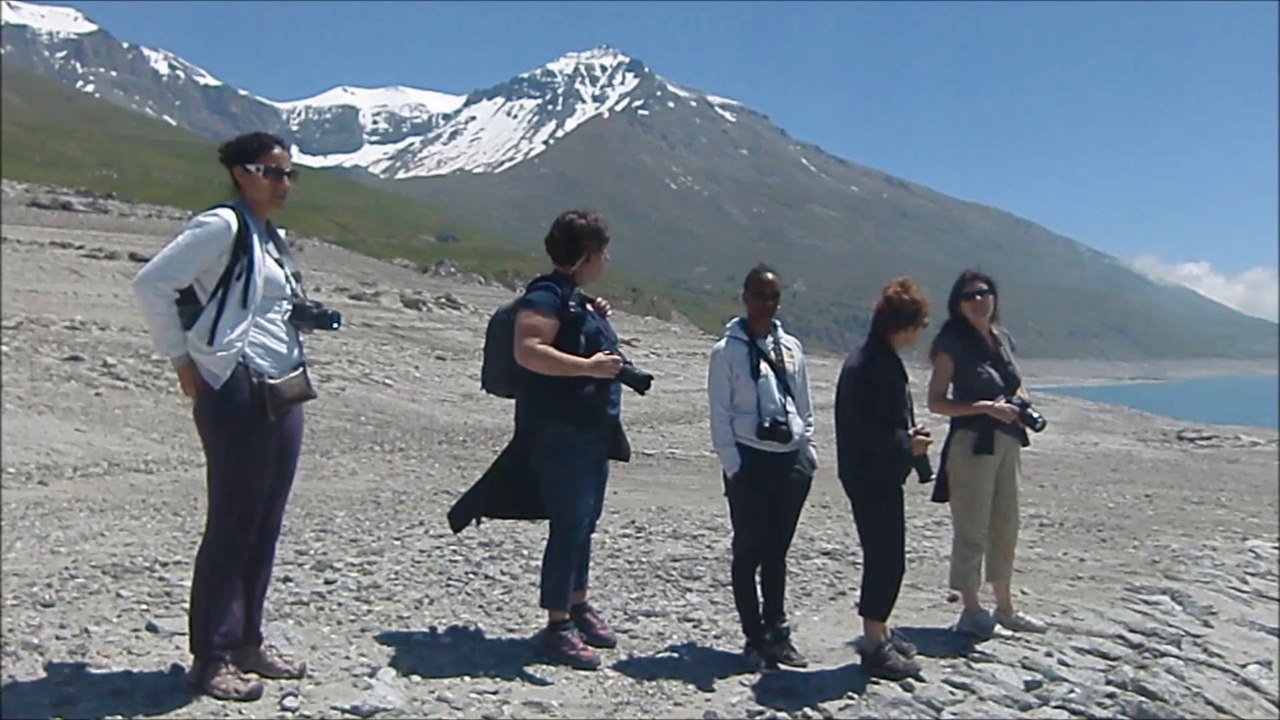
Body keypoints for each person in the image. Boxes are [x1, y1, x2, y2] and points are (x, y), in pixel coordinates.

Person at [131, 132, 312, 701]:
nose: (284, 184)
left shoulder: (269, 236)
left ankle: (247, 641)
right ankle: (210, 656)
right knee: (233, 521)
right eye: (273, 173)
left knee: (265, 520)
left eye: (290, 175)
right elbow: (152, 283)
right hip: (234, 384)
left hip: (281, 383)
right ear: (241, 173)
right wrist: (181, 359)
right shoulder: (221, 227)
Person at [512, 209, 627, 670]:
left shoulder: (571, 297)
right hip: (561, 433)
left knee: (584, 522)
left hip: (589, 431)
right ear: (584, 255)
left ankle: (577, 604)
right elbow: (528, 349)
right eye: (601, 251)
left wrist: (588, 313)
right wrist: (588, 368)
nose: (606, 258)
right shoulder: (544, 295)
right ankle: (557, 623)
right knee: (568, 524)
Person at [707, 263, 818, 672]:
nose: (766, 303)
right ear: (745, 296)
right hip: (749, 460)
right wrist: (733, 466)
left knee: (778, 551)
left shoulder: (791, 347)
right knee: (748, 550)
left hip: (790, 462)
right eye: (759, 294)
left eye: (773, 296)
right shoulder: (726, 352)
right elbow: (719, 413)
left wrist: (808, 451)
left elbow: (804, 403)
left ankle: (778, 632)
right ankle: (753, 636)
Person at [926, 269, 1048, 639]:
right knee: (972, 528)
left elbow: (1015, 381)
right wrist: (983, 408)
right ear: (958, 304)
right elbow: (936, 402)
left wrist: (1021, 402)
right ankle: (972, 610)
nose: (979, 301)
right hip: (972, 447)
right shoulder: (951, 344)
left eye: (984, 293)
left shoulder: (1000, 337)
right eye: (970, 296)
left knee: (1005, 525)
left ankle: (1005, 607)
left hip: (1007, 442)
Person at [834, 277, 932, 680]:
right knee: (886, 558)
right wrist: (906, 445)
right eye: (918, 326)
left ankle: (881, 629)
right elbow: (862, 431)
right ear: (903, 326)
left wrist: (904, 439)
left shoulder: (879, 358)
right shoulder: (868, 365)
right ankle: (874, 643)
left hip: (877, 472)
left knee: (888, 554)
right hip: (869, 475)